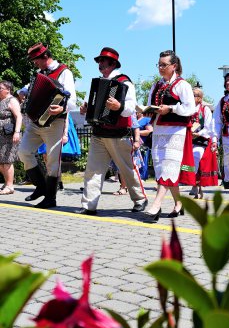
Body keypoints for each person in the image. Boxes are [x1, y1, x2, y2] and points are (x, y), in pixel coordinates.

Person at [76, 47, 147, 215]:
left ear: (113, 63)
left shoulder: (125, 82)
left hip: (119, 134)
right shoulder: (97, 82)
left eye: (102, 61)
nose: (99, 64)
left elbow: (130, 109)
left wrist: (118, 106)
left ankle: (140, 199)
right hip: (99, 133)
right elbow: (90, 103)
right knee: (93, 170)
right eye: (99, 61)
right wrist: (85, 108)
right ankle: (89, 205)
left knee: (127, 169)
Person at [18, 43, 76, 208]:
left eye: (35, 60)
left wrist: (62, 107)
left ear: (44, 57)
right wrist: (22, 91)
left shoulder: (65, 72)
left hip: (55, 122)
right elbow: (28, 87)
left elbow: (72, 102)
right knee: (23, 152)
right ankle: (41, 186)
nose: (34, 63)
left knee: (52, 160)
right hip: (36, 122)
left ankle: (50, 198)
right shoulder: (39, 73)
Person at [146, 50, 196, 222]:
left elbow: (190, 108)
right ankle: (179, 203)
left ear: (174, 66)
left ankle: (156, 205)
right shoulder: (156, 85)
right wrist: (148, 111)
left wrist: (172, 108)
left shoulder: (183, 85)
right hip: (159, 130)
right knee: (162, 168)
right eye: (159, 64)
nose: (160, 67)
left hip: (176, 130)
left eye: (164, 65)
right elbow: (149, 105)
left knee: (169, 166)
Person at [189, 87, 218, 199]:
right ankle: (195, 185)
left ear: (200, 98)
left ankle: (196, 185)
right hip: (188, 141)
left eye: (194, 95)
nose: (192, 97)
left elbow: (209, 126)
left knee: (195, 159)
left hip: (201, 141)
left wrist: (198, 134)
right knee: (187, 163)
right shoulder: (187, 109)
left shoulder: (204, 110)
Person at [0, 81, 23, 195]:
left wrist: (17, 132)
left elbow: (18, 116)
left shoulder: (12, 100)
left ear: (8, 89)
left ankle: (10, 186)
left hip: (9, 135)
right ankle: (6, 183)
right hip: (1, 136)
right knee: (1, 161)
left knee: (7, 160)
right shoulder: (1, 101)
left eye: (0, 88)